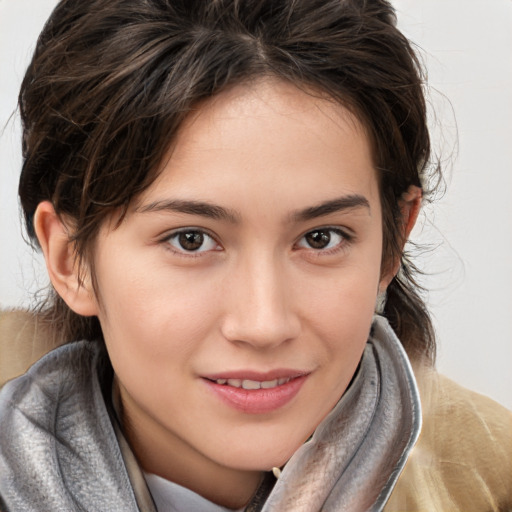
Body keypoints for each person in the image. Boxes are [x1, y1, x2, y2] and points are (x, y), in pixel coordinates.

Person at [0, 0, 510, 510]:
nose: (264, 324)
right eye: (191, 240)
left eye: (321, 238)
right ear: (72, 260)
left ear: (393, 240)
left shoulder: (493, 484)